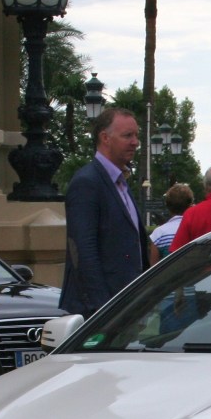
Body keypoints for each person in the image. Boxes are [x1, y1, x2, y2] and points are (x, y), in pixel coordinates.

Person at [59, 107, 149, 317]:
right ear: (105, 138)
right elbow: (82, 250)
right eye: (127, 136)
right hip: (99, 313)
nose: (135, 142)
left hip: (125, 307)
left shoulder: (121, 183)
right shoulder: (87, 182)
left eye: (136, 135)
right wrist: (103, 310)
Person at [150, 183, 194, 259]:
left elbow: (153, 265)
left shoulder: (158, 234)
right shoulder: (196, 230)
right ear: (190, 205)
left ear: (168, 206)